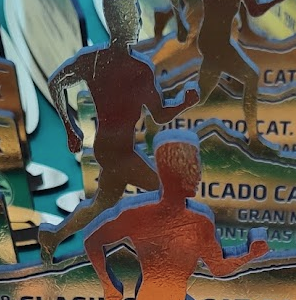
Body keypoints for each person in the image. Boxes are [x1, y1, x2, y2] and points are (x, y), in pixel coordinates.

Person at [70, 131, 268, 300]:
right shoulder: (139, 214)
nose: (198, 177)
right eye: (193, 169)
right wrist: (108, 285)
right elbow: (93, 240)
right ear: (174, 173)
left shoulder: (200, 222)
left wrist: (250, 255)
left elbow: (218, 267)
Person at [38, 0, 198, 262]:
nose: (138, 23)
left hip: (112, 148)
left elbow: (57, 82)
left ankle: (53, 236)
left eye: (137, 17)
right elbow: (160, 114)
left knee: (101, 203)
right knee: (165, 192)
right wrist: (69, 127)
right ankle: (163, 250)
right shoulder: (129, 68)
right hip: (117, 153)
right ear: (119, 23)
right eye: (133, 18)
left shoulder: (101, 62)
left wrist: (70, 127)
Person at [174, 0, 287, 149]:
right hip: (216, 44)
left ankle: (165, 111)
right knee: (250, 77)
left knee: (201, 95)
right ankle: (253, 139)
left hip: (215, 42)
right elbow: (255, 10)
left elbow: (254, 10)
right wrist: (180, 22)